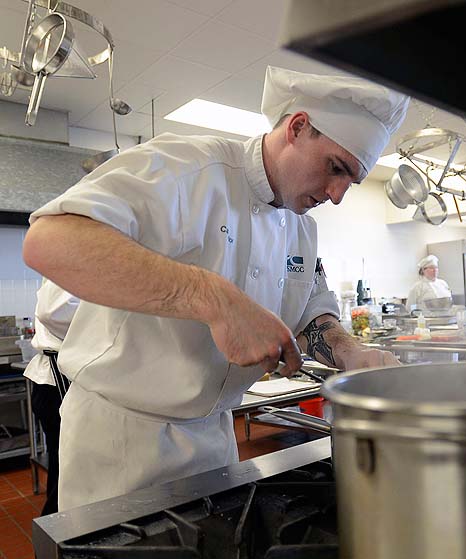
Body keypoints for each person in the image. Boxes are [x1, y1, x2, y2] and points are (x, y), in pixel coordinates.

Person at [21, 66, 410, 510]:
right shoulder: (187, 168)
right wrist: (214, 299)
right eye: (335, 168)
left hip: (215, 436)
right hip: (122, 442)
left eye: (351, 182)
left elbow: (313, 316)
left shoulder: (301, 228)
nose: (337, 194)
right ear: (297, 128)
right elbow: (50, 241)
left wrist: (346, 349)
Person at [23, 279, 79, 515]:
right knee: (68, 466)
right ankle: (57, 535)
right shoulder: (70, 267)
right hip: (56, 381)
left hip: (56, 379)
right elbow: (54, 311)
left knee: (65, 463)